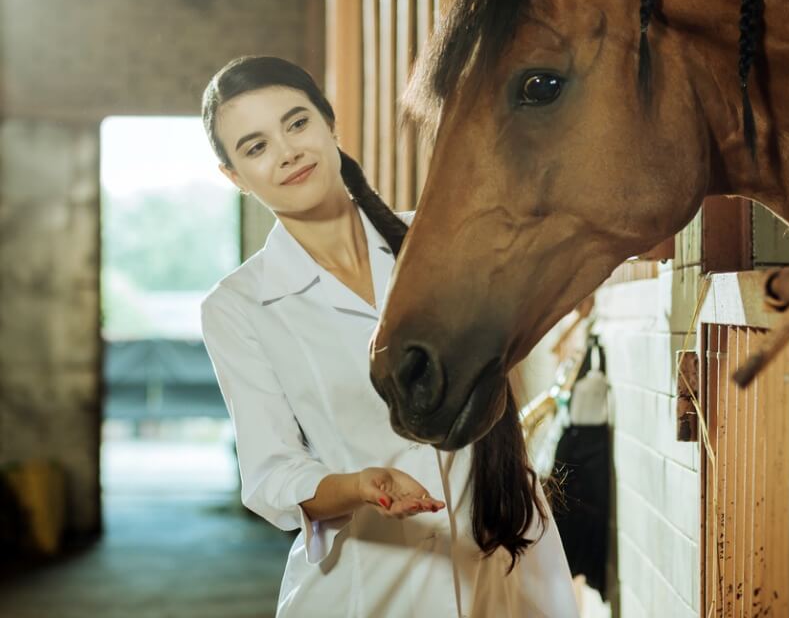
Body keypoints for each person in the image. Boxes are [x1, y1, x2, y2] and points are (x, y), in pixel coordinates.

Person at [198, 55, 578, 617]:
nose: (287, 152)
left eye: (297, 123)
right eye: (255, 147)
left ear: (330, 123)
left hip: (506, 564)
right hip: (367, 590)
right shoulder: (238, 306)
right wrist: (358, 486)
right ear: (235, 177)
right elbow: (272, 472)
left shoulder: (438, 240)